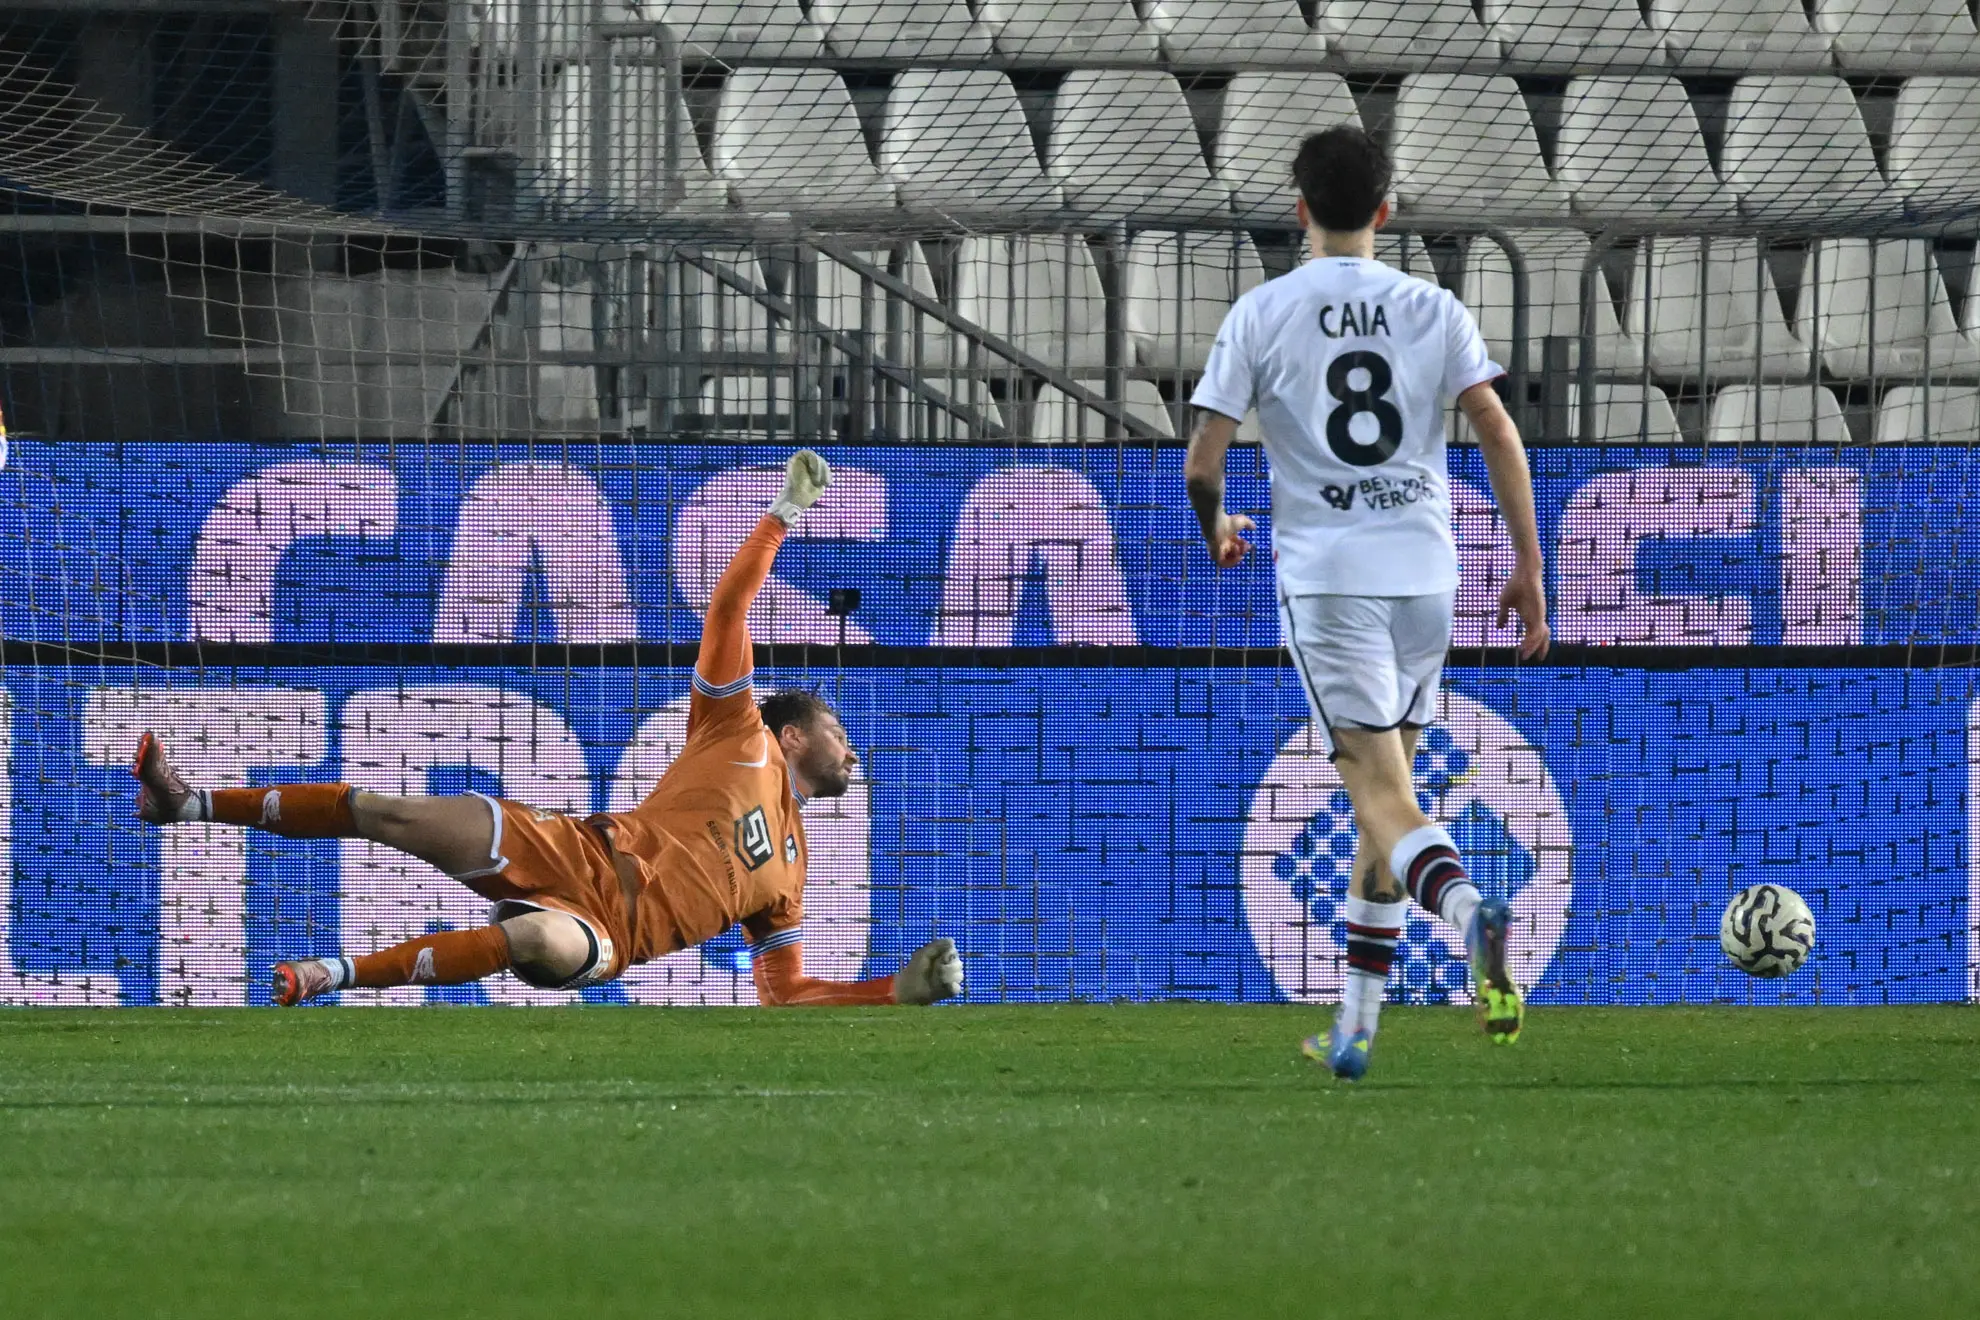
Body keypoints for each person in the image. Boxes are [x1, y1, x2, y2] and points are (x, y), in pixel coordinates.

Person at [132, 451, 964, 1010]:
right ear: (789, 736)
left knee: (529, 936)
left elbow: (787, 996)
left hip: (605, 934)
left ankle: (332, 974)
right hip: (573, 846)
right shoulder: (733, 727)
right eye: (837, 729)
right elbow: (728, 607)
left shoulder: (791, 875)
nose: (852, 748)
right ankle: (190, 804)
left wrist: (891, 992)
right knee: (391, 813)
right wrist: (783, 511)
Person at [1183, 127, 1550, 1079]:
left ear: (1297, 209)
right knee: (1391, 807)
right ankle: (1354, 1032)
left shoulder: (1261, 313)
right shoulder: (1434, 307)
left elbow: (1201, 465)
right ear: (1386, 211)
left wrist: (1217, 529)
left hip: (1332, 579)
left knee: (1382, 798)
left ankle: (1471, 913)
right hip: (1429, 577)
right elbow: (1498, 432)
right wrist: (1529, 567)